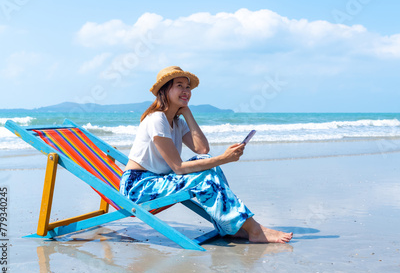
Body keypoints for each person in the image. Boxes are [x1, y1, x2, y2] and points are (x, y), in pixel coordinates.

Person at [120, 66, 293, 244]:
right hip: (139, 188)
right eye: (179, 85)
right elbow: (178, 168)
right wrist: (224, 158)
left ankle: (231, 228)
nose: (186, 91)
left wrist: (187, 112)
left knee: (207, 162)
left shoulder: (176, 122)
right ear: (165, 90)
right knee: (205, 176)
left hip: (158, 181)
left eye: (188, 87)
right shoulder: (157, 119)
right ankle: (254, 229)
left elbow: (202, 149)